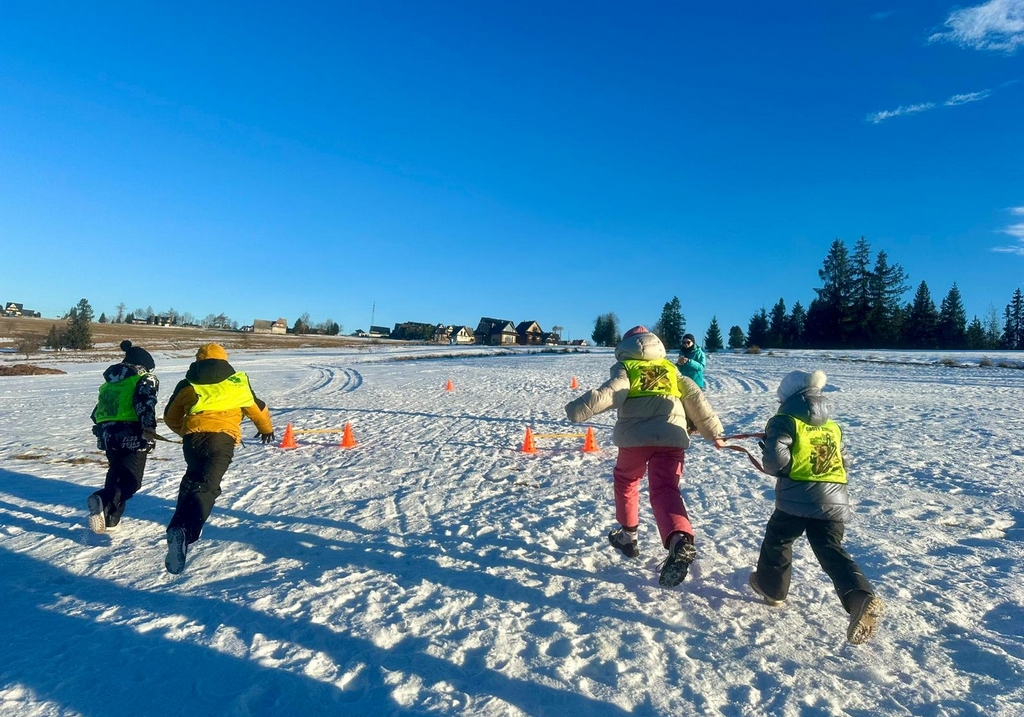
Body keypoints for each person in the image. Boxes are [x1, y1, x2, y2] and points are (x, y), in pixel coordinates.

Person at [565, 326, 726, 587]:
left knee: (627, 481)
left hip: (634, 440)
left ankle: (628, 536)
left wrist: (577, 409)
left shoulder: (627, 367)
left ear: (626, 346)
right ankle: (680, 539)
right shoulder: (671, 369)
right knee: (666, 490)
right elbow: (696, 398)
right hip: (672, 437)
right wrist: (714, 432)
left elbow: (612, 392)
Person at [748, 369, 884, 645]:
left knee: (779, 539)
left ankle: (772, 589)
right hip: (834, 497)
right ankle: (860, 597)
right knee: (830, 549)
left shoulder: (784, 420)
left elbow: (775, 459)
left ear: (786, 397)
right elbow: (844, 461)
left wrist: (774, 460)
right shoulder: (832, 426)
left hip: (796, 498)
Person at [162, 343, 275, 574]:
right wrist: (265, 429)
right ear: (224, 360)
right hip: (221, 440)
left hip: (192, 440)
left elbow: (170, 416)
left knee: (192, 480)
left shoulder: (187, 384)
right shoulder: (236, 383)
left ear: (198, 360)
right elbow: (257, 409)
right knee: (207, 486)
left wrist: (186, 431)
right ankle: (186, 532)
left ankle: (177, 529)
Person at [87, 340, 160, 533]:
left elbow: (97, 412)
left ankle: (111, 519)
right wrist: (149, 429)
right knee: (131, 481)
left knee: (116, 473)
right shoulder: (144, 378)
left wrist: (102, 428)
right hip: (132, 432)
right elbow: (145, 404)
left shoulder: (110, 382)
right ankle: (102, 498)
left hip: (107, 434)